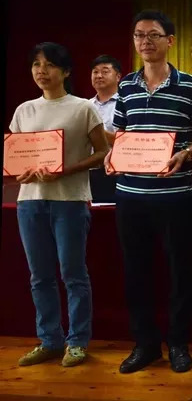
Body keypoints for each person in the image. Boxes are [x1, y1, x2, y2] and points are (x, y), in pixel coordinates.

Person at [105, 10, 192, 374]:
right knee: (136, 271)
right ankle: (145, 344)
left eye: (153, 35)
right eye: (138, 35)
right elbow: (120, 133)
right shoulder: (125, 86)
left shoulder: (190, 85)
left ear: (170, 41)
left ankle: (178, 344)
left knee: (180, 271)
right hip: (130, 194)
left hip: (175, 195)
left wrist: (186, 152)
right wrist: (111, 155)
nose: (145, 42)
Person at [9, 42, 108, 367]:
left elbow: (103, 153)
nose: (42, 71)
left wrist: (66, 169)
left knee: (73, 274)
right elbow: (14, 158)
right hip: (30, 203)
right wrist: (18, 171)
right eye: (36, 64)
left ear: (65, 71)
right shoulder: (24, 110)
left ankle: (77, 342)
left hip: (70, 202)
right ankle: (49, 339)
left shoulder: (82, 108)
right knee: (40, 276)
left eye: (49, 65)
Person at [88, 54, 122, 202]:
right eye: (95, 72)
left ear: (118, 76)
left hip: (115, 172)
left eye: (105, 71)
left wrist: (96, 132)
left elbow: (128, 141)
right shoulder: (85, 106)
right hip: (86, 172)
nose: (99, 75)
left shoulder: (125, 105)